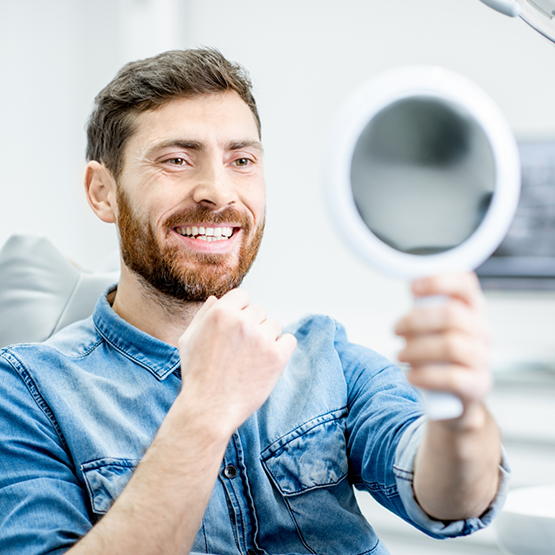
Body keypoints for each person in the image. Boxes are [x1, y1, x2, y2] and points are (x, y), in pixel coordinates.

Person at [0, 48, 509, 555]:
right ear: (102, 193)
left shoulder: (324, 356)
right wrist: (205, 408)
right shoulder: (25, 392)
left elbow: (453, 500)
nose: (218, 192)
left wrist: (460, 417)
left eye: (241, 160)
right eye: (176, 160)